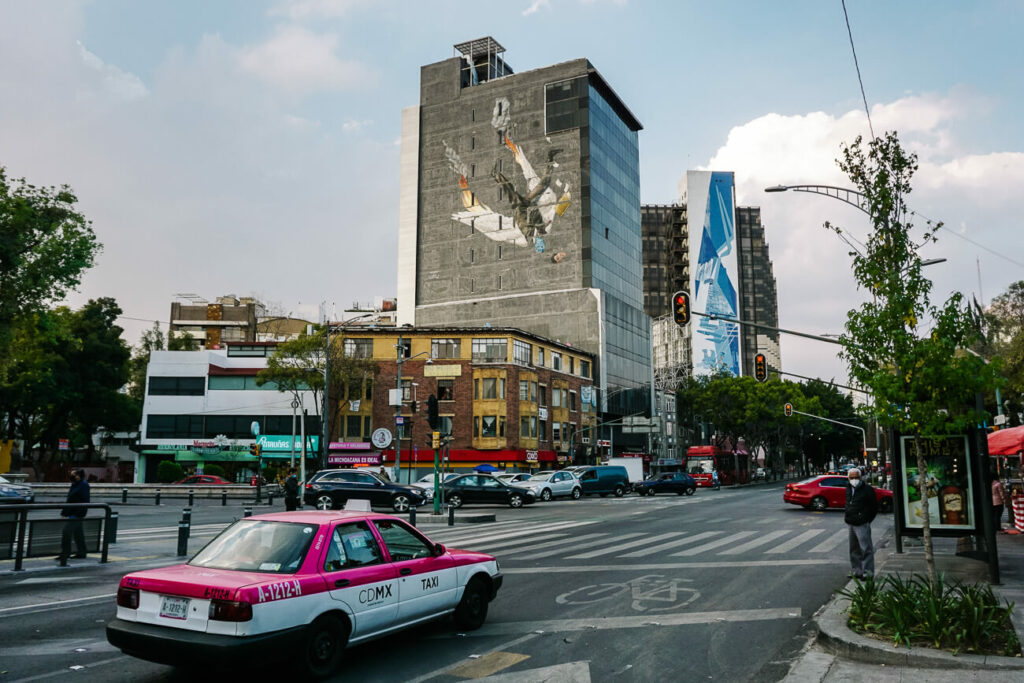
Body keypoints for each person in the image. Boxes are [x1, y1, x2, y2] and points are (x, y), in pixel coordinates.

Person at [845, 468, 878, 579]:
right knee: (854, 549)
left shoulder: (867, 490)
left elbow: (874, 507)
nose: (854, 480)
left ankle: (868, 572)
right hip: (851, 522)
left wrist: (866, 519)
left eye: (856, 477)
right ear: (848, 478)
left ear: (861, 477)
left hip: (862, 523)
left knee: (866, 548)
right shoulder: (849, 488)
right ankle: (857, 570)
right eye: (852, 477)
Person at [57, 468, 90, 562]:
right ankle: (81, 552)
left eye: (74, 475)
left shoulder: (83, 485)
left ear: (79, 476)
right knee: (78, 534)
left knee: (66, 532)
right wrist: (65, 512)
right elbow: (70, 499)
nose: (72, 476)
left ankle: (65, 553)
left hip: (78, 514)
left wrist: (79, 513)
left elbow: (84, 500)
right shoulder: (75, 484)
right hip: (73, 513)